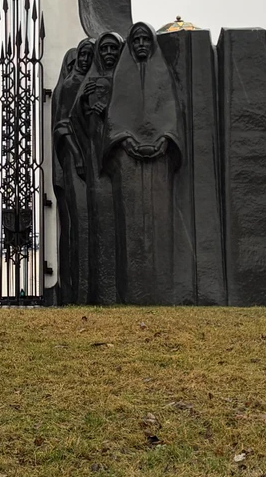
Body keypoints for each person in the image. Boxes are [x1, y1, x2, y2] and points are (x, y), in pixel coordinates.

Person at [103, 21, 193, 303]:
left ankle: (163, 288)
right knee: (129, 226)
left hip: (159, 160)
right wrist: (125, 141)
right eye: (136, 40)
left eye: (145, 40)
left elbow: (171, 114)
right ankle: (131, 292)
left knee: (160, 221)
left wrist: (165, 140)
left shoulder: (162, 75)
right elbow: (114, 116)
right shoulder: (123, 76)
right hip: (127, 160)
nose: (141, 45)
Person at [78, 32, 124, 303]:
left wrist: (105, 108)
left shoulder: (125, 78)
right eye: (103, 48)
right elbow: (75, 118)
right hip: (95, 153)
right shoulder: (89, 80)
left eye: (112, 48)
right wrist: (86, 104)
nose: (107, 53)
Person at [52, 38, 95, 303]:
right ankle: (75, 289)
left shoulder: (95, 82)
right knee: (78, 220)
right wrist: (77, 154)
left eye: (91, 54)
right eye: (83, 54)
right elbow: (62, 124)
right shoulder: (70, 84)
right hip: (75, 158)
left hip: (92, 158)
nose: (86, 59)